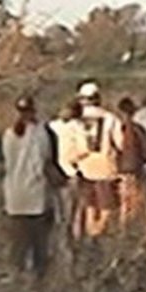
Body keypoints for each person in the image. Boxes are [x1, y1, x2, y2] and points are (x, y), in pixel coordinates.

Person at [1, 96, 58, 286]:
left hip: (14, 197)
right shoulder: (41, 133)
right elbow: (46, 162)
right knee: (39, 245)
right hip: (37, 196)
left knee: (18, 245)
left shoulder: (9, 134)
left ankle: (16, 279)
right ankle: (38, 284)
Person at [72, 81, 123, 239]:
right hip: (105, 170)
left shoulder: (75, 121)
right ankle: (98, 233)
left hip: (84, 170)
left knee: (90, 206)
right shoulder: (111, 118)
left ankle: (90, 235)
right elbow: (120, 143)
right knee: (107, 208)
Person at [47, 100, 87, 243]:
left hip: (54, 173)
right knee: (71, 212)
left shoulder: (51, 126)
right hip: (70, 172)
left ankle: (61, 241)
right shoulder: (77, 127)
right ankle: (69, 242)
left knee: (59, 212)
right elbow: (83, 149)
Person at [115, 97, 146, 240]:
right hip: (137, 168)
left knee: (125, 201)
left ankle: (123, 230)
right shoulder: (138, 129)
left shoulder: (118, 128)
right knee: (144, 201)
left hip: (123, 169)